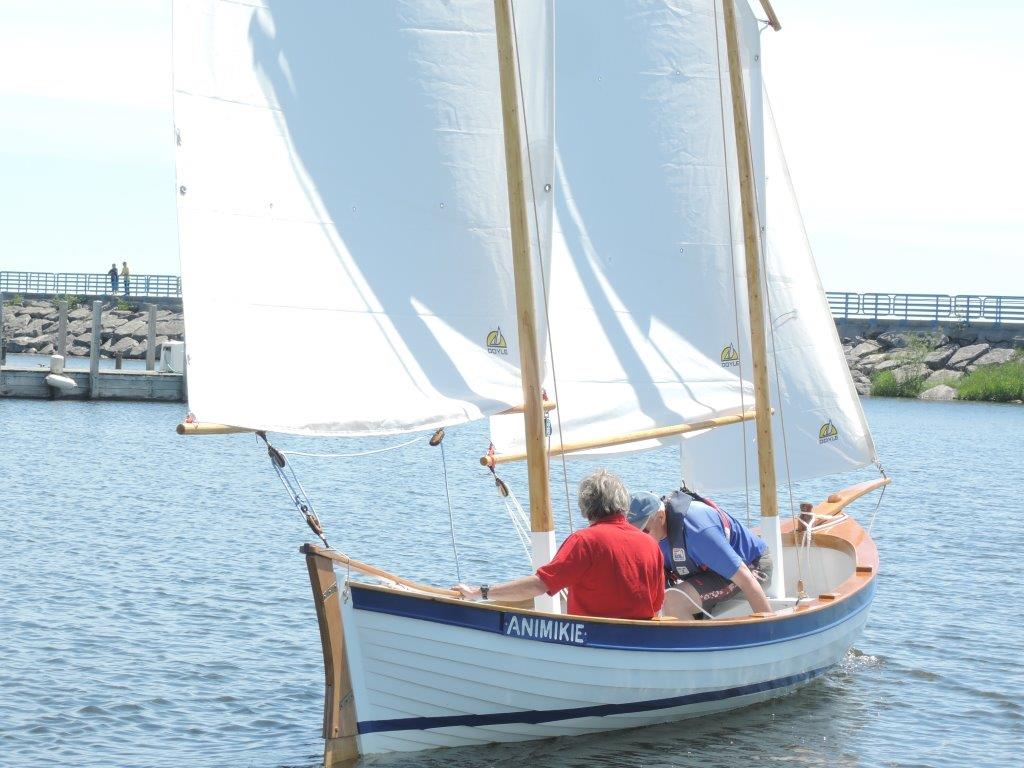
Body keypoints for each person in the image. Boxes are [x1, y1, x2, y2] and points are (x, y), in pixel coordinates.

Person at [454, 470, 664, 619]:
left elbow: (540, 584)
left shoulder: (584, 542)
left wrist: (481, 593)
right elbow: (655, 605)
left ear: (585, 506)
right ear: (624, 504)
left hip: (592, 642)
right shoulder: (650, 544)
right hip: (637, 639)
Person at [627, 489, 773, 619]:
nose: (640, 538)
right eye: (634, 533)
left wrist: (770, 632)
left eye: (645, 531)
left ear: (660, 517)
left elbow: (746, 579)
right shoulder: (652, 534)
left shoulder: (699, 531)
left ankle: (692, 647)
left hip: (753, 567)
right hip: (706, 572)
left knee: (672, 600)